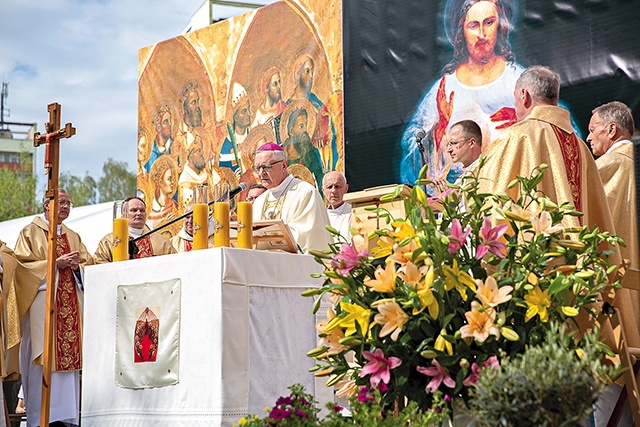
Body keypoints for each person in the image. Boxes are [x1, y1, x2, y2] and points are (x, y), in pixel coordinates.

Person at [399, 0, 524, 185]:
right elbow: (411, 145)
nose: (482, 35)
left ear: (500, 25)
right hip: (457, 196)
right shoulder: (444, 88)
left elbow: (554, 125)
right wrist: (438, 131)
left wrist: (525, 122)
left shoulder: (518, 80)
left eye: (489, 22)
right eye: (473, 25)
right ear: (461, 32)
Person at [7, 189, 94, 427]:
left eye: (69, 203)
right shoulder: (30, 233)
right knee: (43, 360)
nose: (66, 207)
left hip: (70, 310)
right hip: (41, 308)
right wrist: (54, 264)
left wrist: (77, 268)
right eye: (61, 202)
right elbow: (22, 270)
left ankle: (65, 417)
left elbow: (89, 265)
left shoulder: (73, 236)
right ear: (47, 205)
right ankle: (39, 418)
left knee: (67, 371)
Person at [251, 142, 332, 253]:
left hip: (295, 264)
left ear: (284, 165)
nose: (261, 173)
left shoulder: (305, 192)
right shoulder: (260, 201)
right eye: (257, 168)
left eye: (266, 167)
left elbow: (308, 236)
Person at [287, 54, 339, 172]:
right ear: (297, 75)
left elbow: (330, 127)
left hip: (323, 155)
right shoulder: (288, 107)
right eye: (306, 71)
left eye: (312, 71)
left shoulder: (316, 102)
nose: (310, 76)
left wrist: (326, 136)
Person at [94, 197, 176, 263]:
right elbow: (99, 266)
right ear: (123, 214)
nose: (138, 213)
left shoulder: (162, 242)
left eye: (142, 210)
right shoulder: (108, 242)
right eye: (134, 210)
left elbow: (174, 264)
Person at [219, 82, 252, 176]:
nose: (248, 114)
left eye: (248, 109)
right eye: (244, 111)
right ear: (235, 117)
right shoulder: (226, 145)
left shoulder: (254, 136)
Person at [144, 104, 175, 172]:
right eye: (166, 122)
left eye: (170, 121)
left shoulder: (175, 146)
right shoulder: (150, 153)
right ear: (158, 127)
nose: (170, 125)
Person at [322, 171, 352, 241]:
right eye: (329, 187)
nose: (333, 191)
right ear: (323, 190)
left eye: (337, 186)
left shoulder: (353, 212)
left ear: (346, 188)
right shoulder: (320, 216)